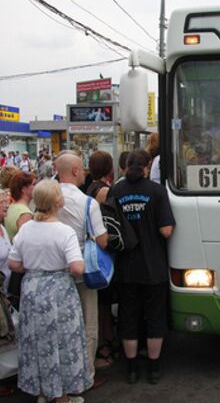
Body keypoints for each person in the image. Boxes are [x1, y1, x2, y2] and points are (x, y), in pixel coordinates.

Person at [8, 180, 90, 403]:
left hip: (32, 289)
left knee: (36, 341)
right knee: (62, 341)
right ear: (57, 202)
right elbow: (76, 267)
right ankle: (62, 396)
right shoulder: (64, 232)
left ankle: (43, 392)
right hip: (59, 289)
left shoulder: (26, 229)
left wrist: (33, 267)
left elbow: (13, 263)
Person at [107, 149, 175, 385]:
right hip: (153, 267)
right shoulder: (157, 192)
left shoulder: (115, 191)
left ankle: (132, 369)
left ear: (126, 166)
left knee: (128, 317)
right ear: (147, 167)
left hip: (125, 267)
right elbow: (166, 230)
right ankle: (154, 369)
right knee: (155, 317)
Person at [56, 153, 109, 389]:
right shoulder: (88, 203)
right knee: (88, 325)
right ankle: (85, 376)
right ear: (76, 171)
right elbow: (102, 240)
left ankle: (60, 375)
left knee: (60, 327)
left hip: (54, 273)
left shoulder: (47, 196)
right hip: (82, 272)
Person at [86, 151, 116, 367]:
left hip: (93, 249)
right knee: (104, 301)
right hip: (102, 249)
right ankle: (104, 344)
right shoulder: (104, 191)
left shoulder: (89, 187)